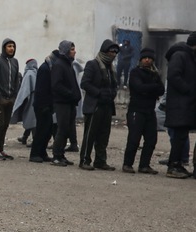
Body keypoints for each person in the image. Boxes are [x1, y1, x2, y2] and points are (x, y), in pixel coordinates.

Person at [122, 48, 164, 174]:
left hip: (150, 111)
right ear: (141, 59)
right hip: (137, 110)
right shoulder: (135, 72)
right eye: (145, 58)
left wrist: (149, 88)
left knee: (151, 139)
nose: (147, 60)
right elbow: (139, 87)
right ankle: (127, 164)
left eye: (150, 58)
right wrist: (152, 88)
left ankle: (144, 165)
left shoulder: (155, 74)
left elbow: (161, 90)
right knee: (134, 139)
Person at [79, 40, 119, 171]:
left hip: (107, 106)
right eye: (111, 51)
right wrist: (99, 93)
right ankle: (85, 160)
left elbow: (114, 85)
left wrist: (112, 93)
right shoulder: (93, 64)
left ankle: (100, 160)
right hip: (94, 106)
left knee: (104, 135)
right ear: (105, 51)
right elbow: (85, 83)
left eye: (115, 52)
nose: (113, 54)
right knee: (90, 135)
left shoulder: (111, 68)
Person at [163, 32, 196, 179]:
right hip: (179, 104)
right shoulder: (180, 55)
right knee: (178, 136)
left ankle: (178, 164)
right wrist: (188, 90)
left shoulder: (190, 57)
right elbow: (173, 76)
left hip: (185, 105)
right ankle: (173, 165)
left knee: (181, 136)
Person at [50, 41, 82, 166]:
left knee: (67, 129)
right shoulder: (59, 65)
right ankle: (56, 156)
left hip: (70, 103)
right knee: (62, 129)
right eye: (72, 49)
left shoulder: (68, 64)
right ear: (66, 50)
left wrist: (76, 96)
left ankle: (61, 155)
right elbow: (56, 85)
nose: (75, 51)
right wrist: (70, 94)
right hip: (62, 103)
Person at [0, 38, 21, 160]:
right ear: (4, 48)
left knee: (6, 124)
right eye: (9, 46)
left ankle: (1, 149)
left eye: (13, 46)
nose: (11, 49)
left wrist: (14, 96)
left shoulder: (15, 62)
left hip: (10, 98)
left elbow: (16, 80)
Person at [29, 51, 59, 163]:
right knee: (41, 130)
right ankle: (35, 153)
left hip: (47, 104)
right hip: (42, 105)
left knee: (48, 130)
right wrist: (45, 105)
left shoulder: (49, 68)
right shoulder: (45, 69)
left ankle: (42, 152)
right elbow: (41, 89)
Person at [11, 59, 37, 150]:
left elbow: (24, 90)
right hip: (36, 99)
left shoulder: (29, 74)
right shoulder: (36, 73)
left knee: (32, 120)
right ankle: (25, 137)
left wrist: (19, 101)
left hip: (30, 99)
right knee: (32, 120)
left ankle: (34, 140)